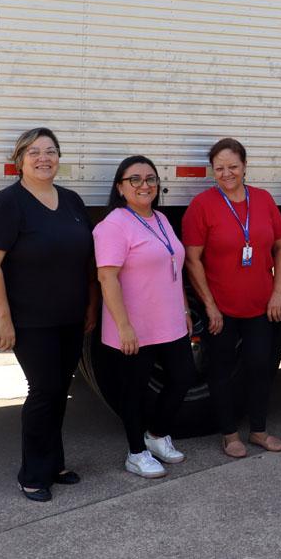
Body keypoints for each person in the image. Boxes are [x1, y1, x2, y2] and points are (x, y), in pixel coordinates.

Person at [0, 128, 96, 503]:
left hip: (70, 317)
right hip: (31, 320)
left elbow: (86, 261)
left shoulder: (73, 202)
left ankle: (54, 464)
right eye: (34, 152)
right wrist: (2, 317)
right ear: (20, 161)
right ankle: (32, 473)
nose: (43, 158)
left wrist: (90, 307)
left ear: (59, 158)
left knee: (60, 390)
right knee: (43, 391)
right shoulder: (8, 204)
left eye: (51, 151)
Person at [183, 137, 281, 456]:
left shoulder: (263, 199)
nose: (227, 173)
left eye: (233, 166)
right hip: (222, 310)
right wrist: (210, 306)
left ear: (244, 166)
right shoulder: (202, 205)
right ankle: (229, 434)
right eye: (219, 168)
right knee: (221, 372)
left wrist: (278, 292)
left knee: (260, 368)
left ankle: (258, 430)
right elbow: (192, 259)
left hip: (260, 307)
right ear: (212, 171)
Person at [93, 155, 198, 479]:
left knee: (183, 378)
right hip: (134, 326)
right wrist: (123, 326)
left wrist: (183, 308)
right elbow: (107, 279)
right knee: (134, 392)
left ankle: (156, 436)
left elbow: (174, 267)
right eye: (135, 179)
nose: (145, 185)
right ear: (120, 188)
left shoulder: (161, 220)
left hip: (170, 322)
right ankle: (136, 453)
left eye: (150, 178)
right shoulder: (113, 225)